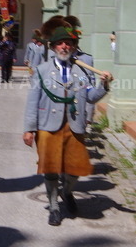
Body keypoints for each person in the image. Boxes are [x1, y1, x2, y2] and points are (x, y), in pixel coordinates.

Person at [23, 17, 111, 226]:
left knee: (75, 169)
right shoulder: (42, 70)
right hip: (47, 125)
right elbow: (32, 101)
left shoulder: (82, 71)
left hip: (74, 125)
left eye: (68, 43)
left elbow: (90, 97)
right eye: (60, 43)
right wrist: (29, 129)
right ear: (53, 47)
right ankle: (53, 206)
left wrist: (104, 85)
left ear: (73, 47)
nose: (64, 46)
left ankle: (67, 191)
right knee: (51, 168)